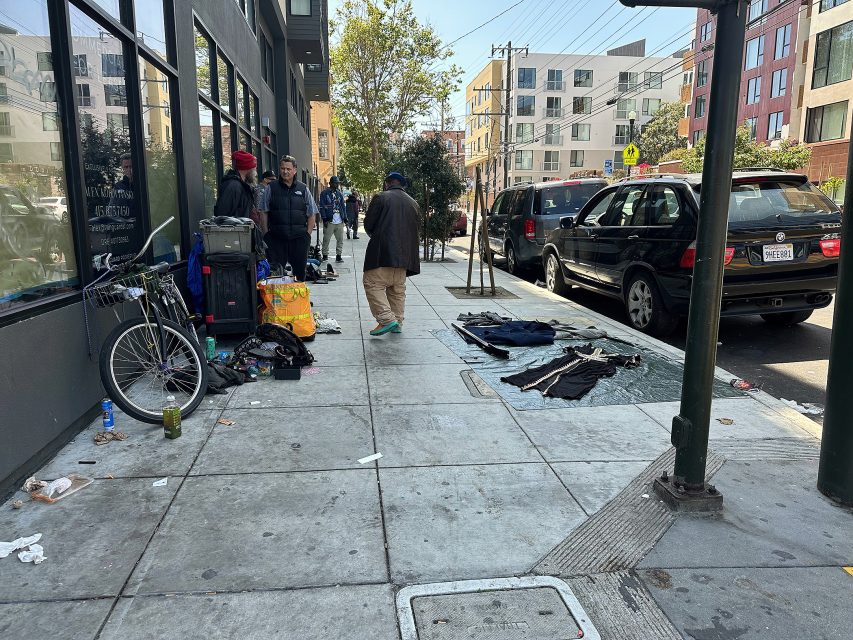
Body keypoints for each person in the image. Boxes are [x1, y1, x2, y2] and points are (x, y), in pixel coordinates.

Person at [362, 171, 420, 336]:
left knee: (372, 284)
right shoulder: (413, 203)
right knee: (397, 290)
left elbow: (369, 225)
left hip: (383, 254)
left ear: (387, 183)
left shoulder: (381, 197)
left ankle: (388, 320)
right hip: (404, 258)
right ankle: (397, 321)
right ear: (401, 185)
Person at [260, 155, 318, 281]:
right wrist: (266, 234)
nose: (285, 171)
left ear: (295, 170)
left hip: (299, 240)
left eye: (288, 169)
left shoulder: (303, 189)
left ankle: (299, 300)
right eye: (282, 168)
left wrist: (307, 235)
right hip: (276, 239)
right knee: (275, 274)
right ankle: (277, 300)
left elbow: (312, 213)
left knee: (299, 275)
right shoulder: (271, 188)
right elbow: (263, 211)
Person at [214, 150, 256, 219]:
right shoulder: (233, 186)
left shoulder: (241, 185)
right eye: (254, 168)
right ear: (247, 168)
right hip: (234, 229)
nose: (255, 171)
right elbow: (222, 216)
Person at [319, 176, 346, 262]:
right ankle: (325, 255)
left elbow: (343, 207)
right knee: (326, 239)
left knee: (340, 240)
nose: (337, 184)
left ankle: (339, 255)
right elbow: (322, 206)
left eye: (337, 183)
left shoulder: (339, 194)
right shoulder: (324, 193)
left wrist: (345, 218)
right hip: (329, 220)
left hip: (339, 220)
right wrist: (324, 219)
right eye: (335, 183)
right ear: (330, 183)